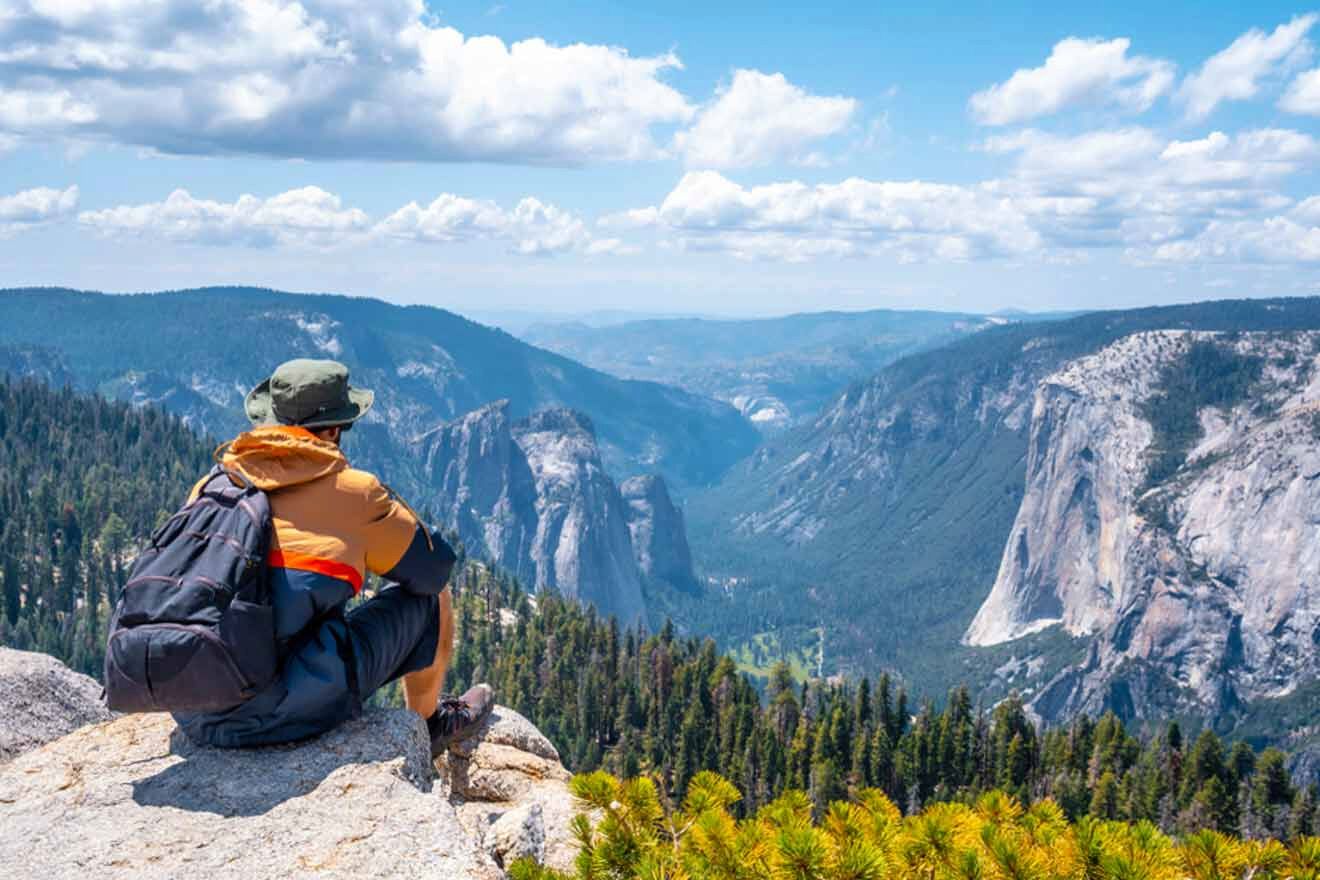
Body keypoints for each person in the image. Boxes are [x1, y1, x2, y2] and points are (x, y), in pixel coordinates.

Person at [174, 358, 492, 754]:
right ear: (334, 430)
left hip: (189, 702)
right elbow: (434, 569)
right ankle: (430, 726)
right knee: (433, 599)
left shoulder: (213, 485)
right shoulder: (351, 492)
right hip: (274, 715)